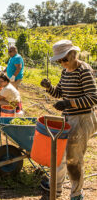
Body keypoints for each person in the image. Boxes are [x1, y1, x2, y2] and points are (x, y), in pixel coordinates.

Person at [40, 40, 97, 200]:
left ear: (73, 54)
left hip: (82, 118)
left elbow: (93, 98)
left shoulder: (83, 70)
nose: (62, 63)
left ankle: (77, 195)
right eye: (59, 61)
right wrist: (49, 87)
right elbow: (59, 92)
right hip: (67, 118)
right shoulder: (65, 72)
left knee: (74, 159)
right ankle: (55, 189)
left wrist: (69, 103)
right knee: (59, 155)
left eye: (64, 59)